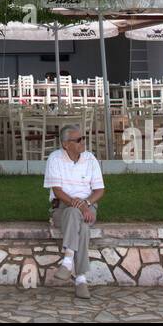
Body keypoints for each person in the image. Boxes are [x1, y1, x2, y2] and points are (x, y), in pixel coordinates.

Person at [44, 123, 105, 299]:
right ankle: (81, 279)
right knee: (80, 223)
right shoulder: (55, 159)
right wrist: (80, 205)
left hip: (88, 206)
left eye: (83, 138)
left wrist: (86, 203)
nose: (83, 142)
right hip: (62, 206)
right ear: (66, 144)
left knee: (76, 215)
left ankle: (68, 260)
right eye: (78, 140)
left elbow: (100, 190)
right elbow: (57, 191)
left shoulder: (90, 159)